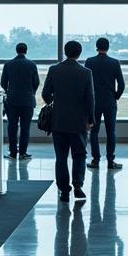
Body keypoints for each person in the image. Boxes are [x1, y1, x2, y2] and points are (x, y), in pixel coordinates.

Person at [41, 40, 95, 203]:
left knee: (61, 157)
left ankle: (64, 190)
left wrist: (55, 100)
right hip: (79, 121)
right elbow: (90, 99)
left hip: (59, 120)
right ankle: (78, 185)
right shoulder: (86, 72)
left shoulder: (54, 70)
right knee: (79, 154)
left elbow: (45, 94)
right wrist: (90, 119)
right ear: (79, 53)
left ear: (65, 52)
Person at [85, 37, 125, 170]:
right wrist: (116, 96)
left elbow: (86, 83)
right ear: (108, 48)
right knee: (111, 132)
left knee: (94, 131)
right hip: (109, 100)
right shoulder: (114, 62)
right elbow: (121, 84)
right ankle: (110, 161)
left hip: (93, 101)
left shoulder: (89, 62)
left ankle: (95, 160)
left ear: (96, 47)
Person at [0, 42, 40, 160]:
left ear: (16, 50)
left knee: (12, 127)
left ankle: (12, 153)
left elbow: (3, 83)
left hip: (12, 101)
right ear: (26, 51)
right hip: (27, 101)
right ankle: (23, 153)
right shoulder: (32, 65)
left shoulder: (8, 64)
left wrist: (9, 91)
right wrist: (31, 92)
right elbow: (36, 82)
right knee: (25, 128)